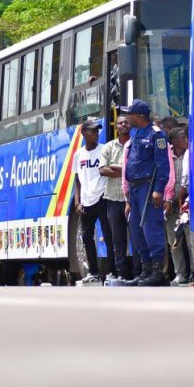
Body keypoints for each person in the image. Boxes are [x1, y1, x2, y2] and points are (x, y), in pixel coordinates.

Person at [121, 99, 171, 286]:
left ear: (139, 116)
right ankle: (146, 269)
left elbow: (162, 165)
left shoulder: (156, 135)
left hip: (148, 188)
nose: (127, 117)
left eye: (130, 113)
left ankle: (158, 272)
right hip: (134, 189)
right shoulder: (135, 133)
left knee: (151, 228)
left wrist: (159, 190)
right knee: (136, 229)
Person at [72, 118, 115, 285]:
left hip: (102, 197)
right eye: (93, 131)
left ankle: (112, 271)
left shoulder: (104, 150)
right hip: (86, 200)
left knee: (108, 235)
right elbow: (77, 178)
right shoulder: (79, 154)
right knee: (87, 237)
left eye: (98, 131)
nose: (96, 134)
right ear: (84, 133)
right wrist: (77, 201)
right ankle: (93, 272)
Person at [99, 114, 133, 282]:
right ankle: (122, 273)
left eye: (127, 122)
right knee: (117, 240)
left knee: (136, 237)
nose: (124, 125)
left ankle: (139, 271)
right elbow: (102, 170)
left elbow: (138, 168)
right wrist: (126, 170)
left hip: (131, 200)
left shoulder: (135, 145)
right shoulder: (108, 147)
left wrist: (116, 168)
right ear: (116, 127)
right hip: (112, 199)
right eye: (120, 123)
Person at [164, 126, 192, 285]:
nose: (185, 138)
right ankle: (179, 273)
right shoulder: (167, 157)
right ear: (173, 141)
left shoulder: (190, 154)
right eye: (182, 136)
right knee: (174, 242)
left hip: (187, 204)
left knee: (191, 240)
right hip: (171, 205)